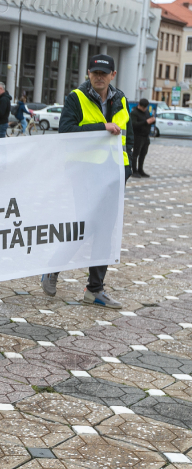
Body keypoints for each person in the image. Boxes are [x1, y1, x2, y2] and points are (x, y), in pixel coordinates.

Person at [40, 54, 132, 308]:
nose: (99, 77)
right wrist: (102, 127)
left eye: (104, 73)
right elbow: (66, 132)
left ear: (113, 75)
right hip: (85, 174)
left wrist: (128, 168)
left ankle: (95, 289)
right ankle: (52, 269)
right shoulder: (76, 98)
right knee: (85, 226)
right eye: (95, 72)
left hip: (113, 175)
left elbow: (128, 137)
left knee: (105, 230)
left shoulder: (121, 98)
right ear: (88, 74)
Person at [130, 98, 154, 178]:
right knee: (135, 154)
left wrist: (152, 120)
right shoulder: (134, 113)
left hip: (145, 137)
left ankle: (141, 170)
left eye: (145, 108)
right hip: (137, 136)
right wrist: (146, 122)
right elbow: (133, 125)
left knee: (143, 154)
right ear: (139, 105)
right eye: (143, 108)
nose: (144, 109)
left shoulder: (147, 112)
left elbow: (148, 121)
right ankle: (134, 171)